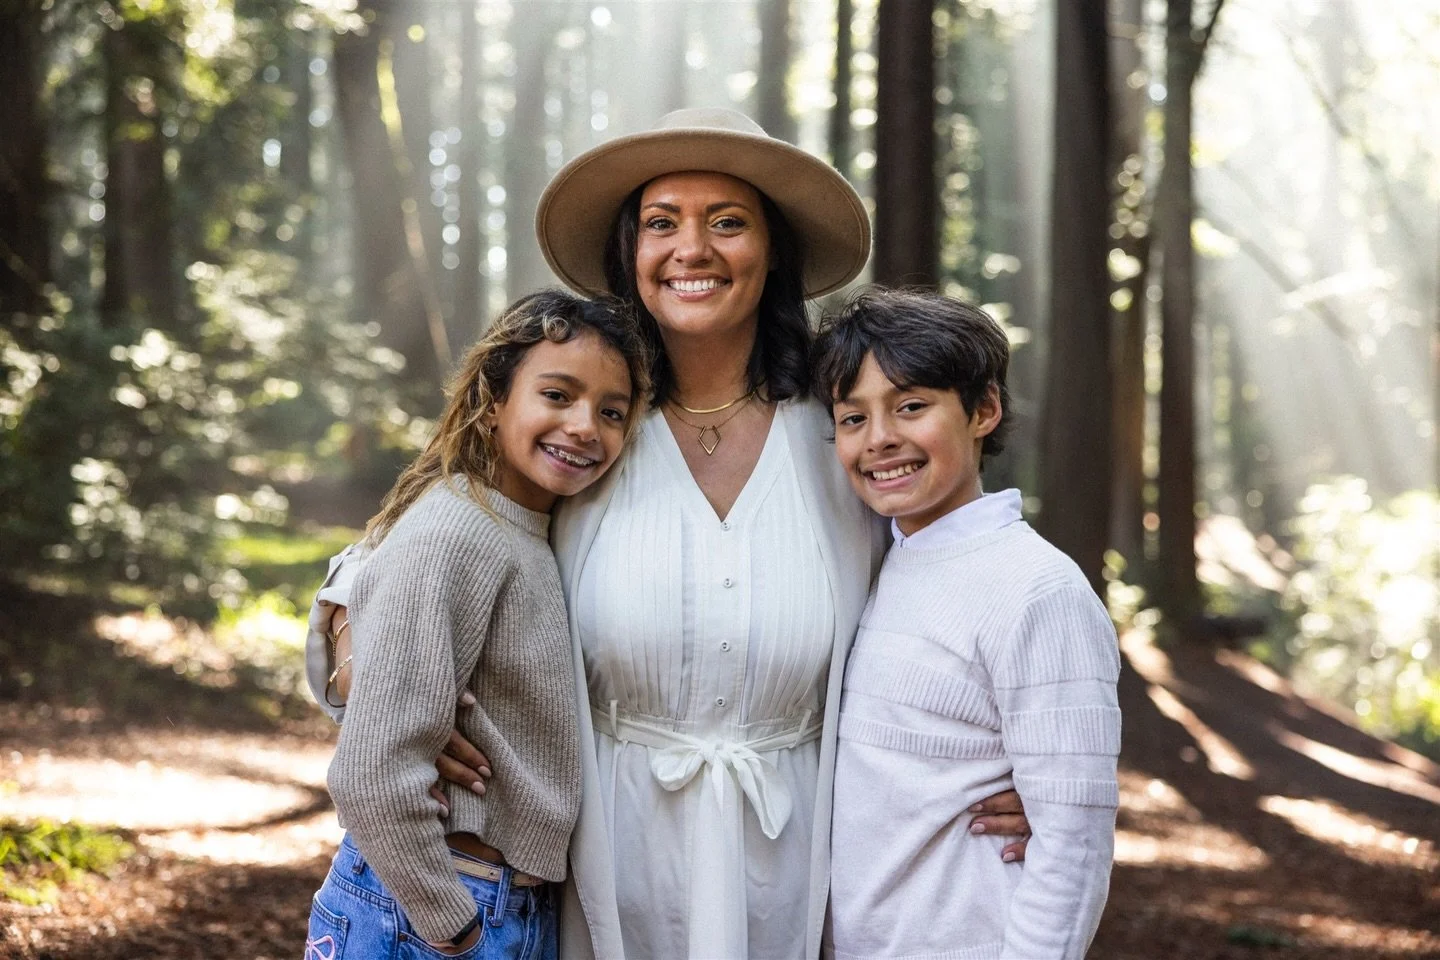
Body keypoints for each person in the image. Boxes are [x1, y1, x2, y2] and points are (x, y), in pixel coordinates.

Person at [308, 108, 1034, 960]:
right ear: (632, 254)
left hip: (800, 842)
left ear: (774, 252)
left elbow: (951, 570)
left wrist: (1007, 758)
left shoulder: (840, 429)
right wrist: (359, 642)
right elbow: (432, 531)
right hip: (600, 846)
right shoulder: (589, 427)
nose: (692, 249)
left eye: (727, 222)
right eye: (662, 223)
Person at [305, 291, 650, 959]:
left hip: (498, 902)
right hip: (434, 910)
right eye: (557, 395)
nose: (585, 425)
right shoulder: (458, 530)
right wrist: (451, 926)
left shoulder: (527, 528)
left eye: (612, 411)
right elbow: (372, 773)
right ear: (494, 400)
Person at [813, 289, 1121, 960]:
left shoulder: (1037, 589)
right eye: (852, 418)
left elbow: (1073, 843)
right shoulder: (875, 564)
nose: (880, 438)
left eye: (912, 407)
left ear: (984, 409)